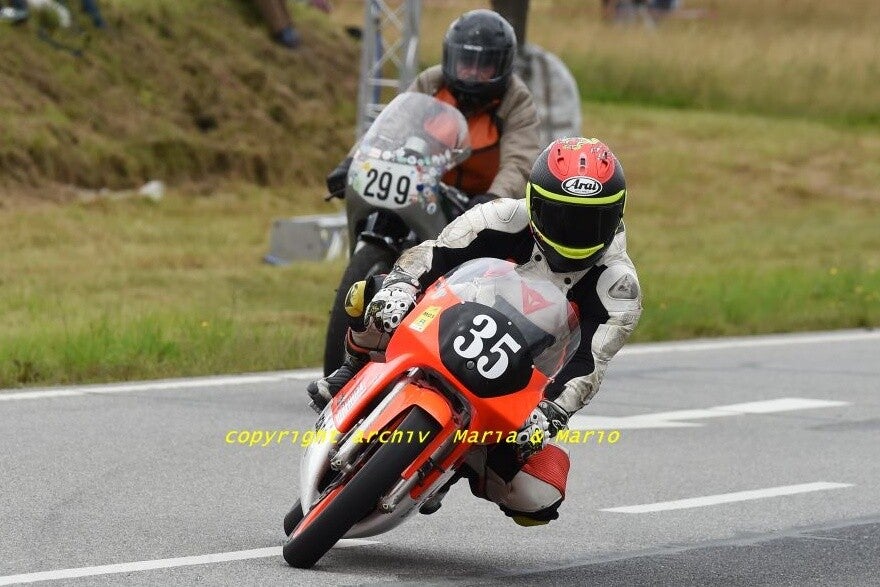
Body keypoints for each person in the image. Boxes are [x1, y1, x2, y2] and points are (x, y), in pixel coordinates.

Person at [308, 137, 642, 526]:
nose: (574, 232)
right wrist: (400, 286)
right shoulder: (500, 217)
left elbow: (589, 364)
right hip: (448, 319)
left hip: (522, 385)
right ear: (534, 202)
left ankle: (463, 465)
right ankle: (352, 368)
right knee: (369, 294)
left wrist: (550, 413)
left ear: (616, 214)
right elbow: (432, 255)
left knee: (539, 498)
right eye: (561, 216)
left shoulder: (618, 285)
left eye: (591, 221)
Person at [325, 9, 540, 207]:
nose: (473, 72)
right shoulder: (431, 82)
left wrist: (494, 200)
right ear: (451, 58)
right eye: (466, 63)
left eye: (484, 65)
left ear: (502, 66)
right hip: (425, 193)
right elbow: (391, 126)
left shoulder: (516, 98)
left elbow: (519, 162)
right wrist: (352, 163)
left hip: (484, 204)